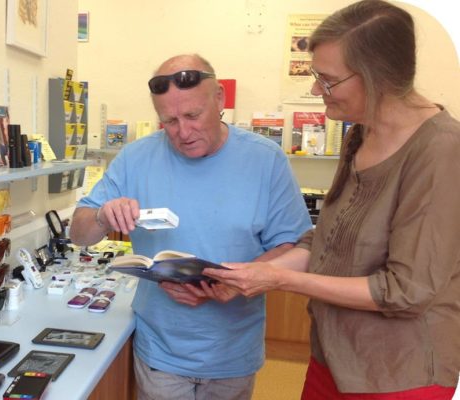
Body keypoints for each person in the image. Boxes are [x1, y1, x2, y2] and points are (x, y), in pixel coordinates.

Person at [203, 1, 460, 399]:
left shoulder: (442, 151)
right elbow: (327, 241)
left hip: (399, 373)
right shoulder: (360, 133)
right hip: (335, 355)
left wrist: (281, 278)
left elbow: (405, 291)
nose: (315, 90)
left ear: (376, 78)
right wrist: (252, 275)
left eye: (327, 80)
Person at [70, 54, 311, 399]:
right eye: (169, 121)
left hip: (233, 352)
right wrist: (101, 216)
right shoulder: (135, 158)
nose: (183, 132)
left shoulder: (265, 159)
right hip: (160, 351)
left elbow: (294, 244)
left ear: (219, 100)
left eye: (193, 116)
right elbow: (78, 234)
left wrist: (239, 279)